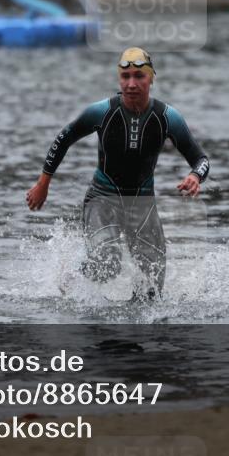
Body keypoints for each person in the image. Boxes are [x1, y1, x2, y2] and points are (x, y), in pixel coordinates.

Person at [25, 47, 210, 302]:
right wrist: (42, 184)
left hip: (143, 203)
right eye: (126, 77)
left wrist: (195, 177)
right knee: (106, 266)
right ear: (119, 79)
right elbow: (63, 139)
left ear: (151, 78)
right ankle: (73, 278)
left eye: (139, 76)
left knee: (151, 292)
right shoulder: (101, 112)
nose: (131, 84)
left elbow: (200, 159)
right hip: (103, 198)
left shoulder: (167, 117)